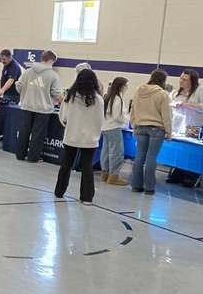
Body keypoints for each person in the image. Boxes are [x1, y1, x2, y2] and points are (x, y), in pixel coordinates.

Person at [54, 68, 104, 205]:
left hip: (72, 136)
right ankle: (87, 197)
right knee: (87, 166)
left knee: (66, 164)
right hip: (90, 138)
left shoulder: (70, 97)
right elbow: (100, 120)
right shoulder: (98, 99)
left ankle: (59, 191)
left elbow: (62, 116)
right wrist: (95, 133)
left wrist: (68, 125)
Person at [130, 70, 174, 194]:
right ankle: (149, 188)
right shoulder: (163, 94)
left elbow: (133, 110)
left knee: (139, 156)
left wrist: (134, 125)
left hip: (140, 126)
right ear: (163, 81)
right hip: (156, 129)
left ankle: (136, 185)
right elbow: (167, 115)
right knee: (151, 157)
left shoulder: (138, 91)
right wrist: (169, 132)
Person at [168, 69, 203, 186]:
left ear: (192, 81)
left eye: (184, 79)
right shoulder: (177, 92)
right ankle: (178, 174)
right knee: (182, 151)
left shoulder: (202, 91)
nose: (181, 81)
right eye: (181, 78)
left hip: (198, 127)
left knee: (194, 153)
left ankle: (192, 177)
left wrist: (184, 104)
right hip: (182, 127)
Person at [15, 50, 63, 162]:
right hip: (43, 109)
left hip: (26, 106)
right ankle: (33, 157)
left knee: (24, 131)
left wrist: (26, 95)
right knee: (38, 134)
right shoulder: (53, 75)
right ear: (51, 60)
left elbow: (18, 87)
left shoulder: (27, 72)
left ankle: (20, 155)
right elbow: (56, 94)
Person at [100, 77, 130, 186]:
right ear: (121, 86)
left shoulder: (108, 96)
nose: (127, 88)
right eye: (126, 86)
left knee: (106, 151)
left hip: (105, 127)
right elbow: (117, 116)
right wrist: (126, 120)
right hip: (114, 127)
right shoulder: (117, 98)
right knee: (117, 152)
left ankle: (105, 173)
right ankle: (114, 175)